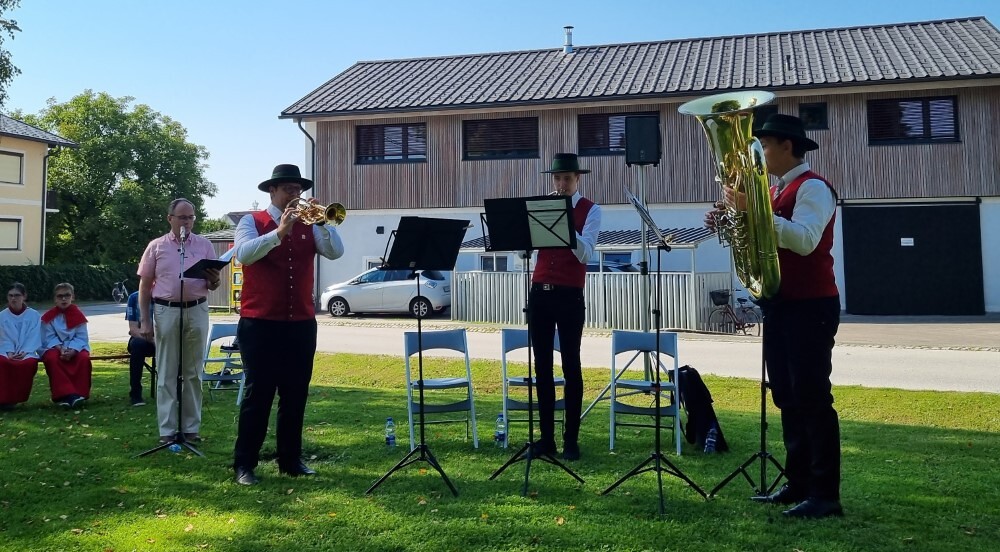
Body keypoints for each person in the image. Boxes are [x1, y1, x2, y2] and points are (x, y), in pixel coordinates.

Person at [704, 113, 841, 519]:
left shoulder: (813, 187)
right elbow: (759, 234)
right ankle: (799, 483)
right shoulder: (775, 189)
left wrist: (757, 211)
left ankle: (825, 494)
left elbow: (805, 240)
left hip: (811, 305)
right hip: (781, 303)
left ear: (787, 146)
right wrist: (731, 219)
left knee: (812, 397)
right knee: (787, 396)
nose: (760, 153)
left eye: (764, 146)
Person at [231, 164, 344, 486]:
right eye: (289, 189)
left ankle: (290, 460)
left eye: (299, 189)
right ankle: (244, 464)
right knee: (258, 394)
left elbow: (335, 252)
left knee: (295, 395)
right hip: (260, 323)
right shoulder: (251, 222)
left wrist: (322, 223)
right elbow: (244, 255)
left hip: (301, 323)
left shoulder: (311, 223)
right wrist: (280, 232)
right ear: (273, 191)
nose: (296, 194)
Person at [529, 153, 601, 461]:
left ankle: (571, 439)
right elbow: (526, 250)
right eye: (557, 178)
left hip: (570, 295)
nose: (561, 184)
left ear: (577, 179)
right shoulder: (542, 206)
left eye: (567, 179)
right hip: (540, 292)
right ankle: (546, 439)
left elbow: (585, 254)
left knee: (571, 365)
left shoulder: (591, 210)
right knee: (542, 366)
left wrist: (563, 223)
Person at [137, 198, 221, 444]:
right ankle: (167, 430)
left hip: (197, 309)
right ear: (170, 219)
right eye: (182, 217)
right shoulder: (156, 246)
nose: (187, 222)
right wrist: (145, 320)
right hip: (166, 310)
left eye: (191, 217)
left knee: (192, 371)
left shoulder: (204, 245)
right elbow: (144, 286)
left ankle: (191, 428)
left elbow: (212, 284)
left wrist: (215, 279)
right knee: (167, 371)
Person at [40, 283, 92, 408]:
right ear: (55, 299)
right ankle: (64, 394)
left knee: (83, 358)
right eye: (60, 296)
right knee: (52, 358)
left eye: (67, 295)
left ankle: (79, 393)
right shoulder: (49, 317)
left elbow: (81, 337)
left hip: (75, 347)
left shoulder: (78, 315)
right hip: (55, 347)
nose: (63, 299)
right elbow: (48, 337)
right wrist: (61, 349)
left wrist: (73, 350)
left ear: (72, 297)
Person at [0, 283, 42, 410]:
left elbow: (35, 335)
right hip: (6, 352)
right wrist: (9, 351)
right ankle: (3, 399)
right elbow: (3, 337)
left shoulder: (33, 315)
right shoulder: (2, 316)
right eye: (11, 295)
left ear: (24, 296)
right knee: (3, 363)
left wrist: (25, 351)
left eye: (17, 295)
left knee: (28, 364)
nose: (13, 299)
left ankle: (17, 398)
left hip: (27, 352)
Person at [125, 290, 155, 406]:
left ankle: (176, 392)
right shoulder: (134, 298)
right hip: (142, 338)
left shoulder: (167, 296)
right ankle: (135, 394)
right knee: (137, 345)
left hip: (164, 339)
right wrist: (153, 341)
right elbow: (133, 330)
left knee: (176, 346)